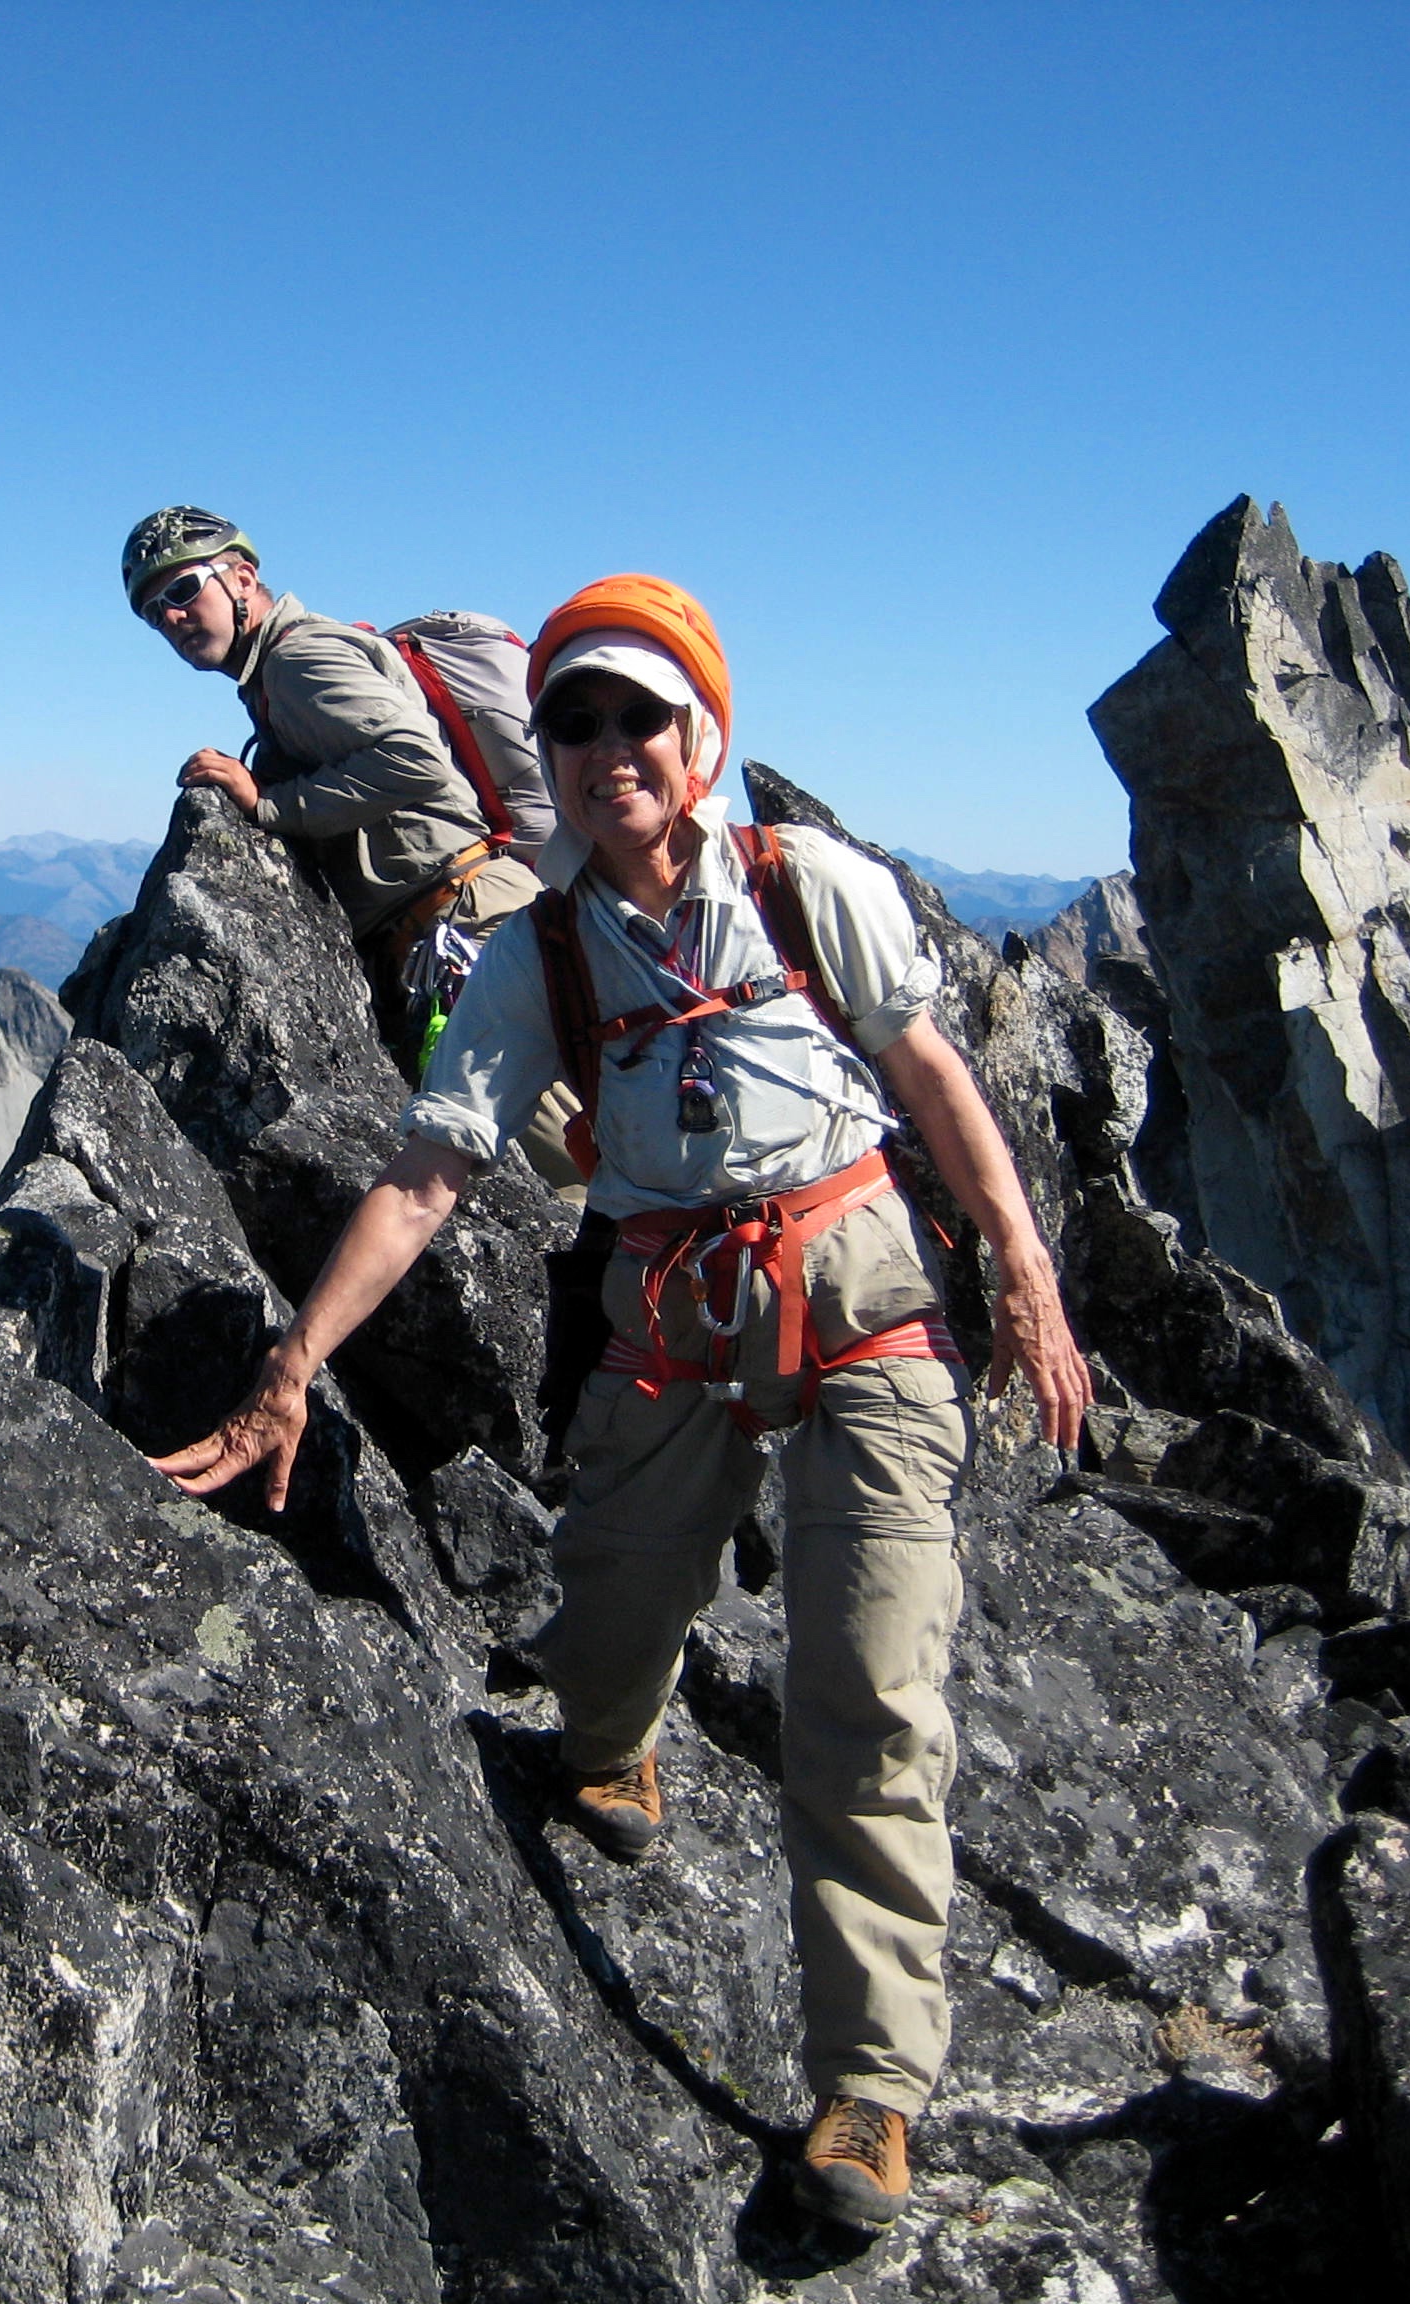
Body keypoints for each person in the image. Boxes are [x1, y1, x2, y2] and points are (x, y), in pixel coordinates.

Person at [151, 574, 1091, 2236]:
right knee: (606, 1615)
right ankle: (609, 1736)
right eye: (569, 718)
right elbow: (432, 1168)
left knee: (868, 1690)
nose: (600, 749)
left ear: (701, 735)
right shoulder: (537, 956)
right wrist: (294, 1356)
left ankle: (870, 2085)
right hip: (666, 1301)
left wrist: (1019, 1257)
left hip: (859, 1284)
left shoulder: (809, 888)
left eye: (634, 715)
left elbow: (930, 1066)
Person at [121, 506, 551, 1077]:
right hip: (450, 927)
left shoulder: (298, 661)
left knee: (568, 1153)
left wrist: (271, 804)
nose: (172, 617)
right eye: (154, 613)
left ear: (242, 579)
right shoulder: (276, 673)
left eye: (183, 589)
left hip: (467, 927)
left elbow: (415, 758)